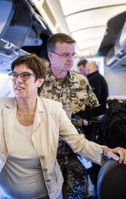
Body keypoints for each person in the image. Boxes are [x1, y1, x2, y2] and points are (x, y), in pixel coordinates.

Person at [0, 54, 126, 199]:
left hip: (46, 195)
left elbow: (79, 144)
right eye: (14, 75)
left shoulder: (53, 110)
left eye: (25, 75)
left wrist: (107, 151)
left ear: (40, 81)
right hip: (5, 195)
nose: (18, 80)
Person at [40, 33, 100, 199]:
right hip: (46, 158)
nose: (70, 60)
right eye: (65, 54)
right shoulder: (37, 80)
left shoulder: (81, 81)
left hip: (77, 156)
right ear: (51, 55)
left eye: (72, 55)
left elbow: (94, 110)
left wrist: (94, 116)